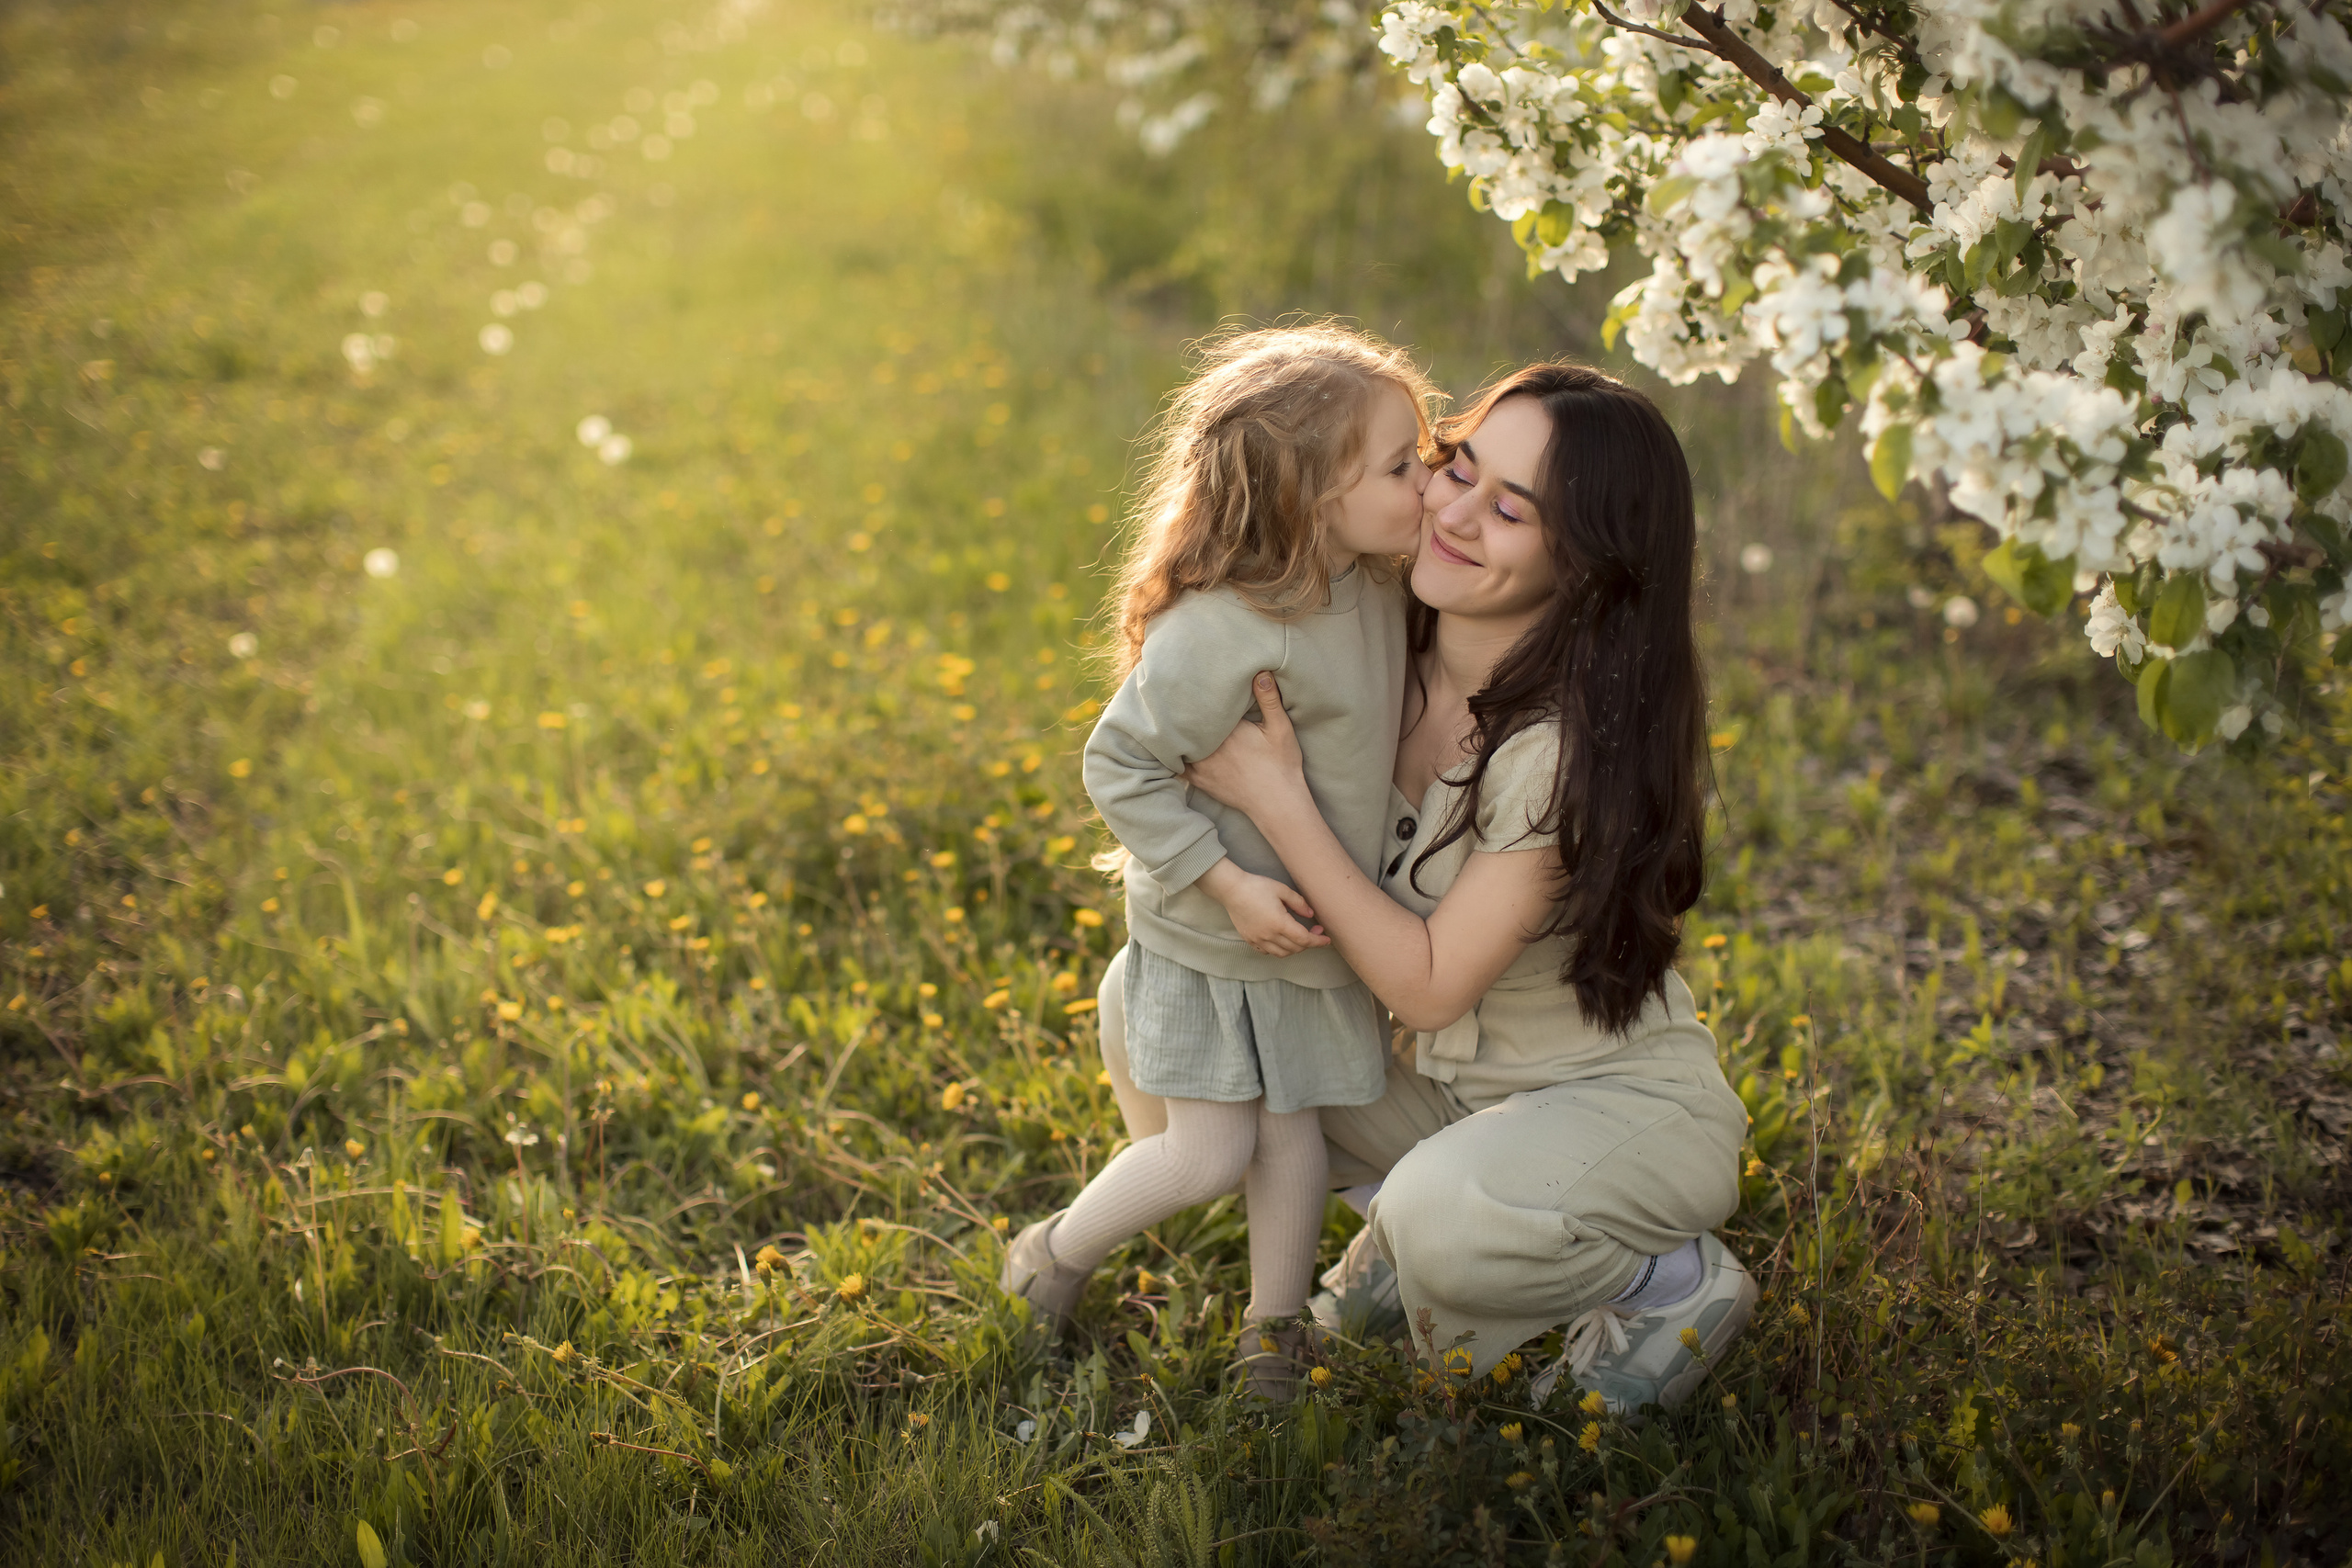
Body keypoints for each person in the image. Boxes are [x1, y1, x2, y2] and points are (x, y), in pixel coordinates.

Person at [1105, 362, 1755, 1415]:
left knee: (1447, 1220)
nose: (1449, 509)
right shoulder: (1372, 632)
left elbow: (1431, 989)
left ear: (1586, 566)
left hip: (1600, 1104)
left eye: (1508, 510)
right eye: (1455, 466)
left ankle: (1661, 1282)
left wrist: (1279, 804)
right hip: (1436, 1092)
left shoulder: (1557, 751)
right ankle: (1403, 1232)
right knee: (1151, 1010)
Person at [999, 325, 1439, 1397]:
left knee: (1290, 1143)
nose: (1427, 478)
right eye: (1399, 464)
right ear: (1309, 497)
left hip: (1308, 936)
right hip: (1214, 936)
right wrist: (1227, 880)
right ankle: (1047, 1257)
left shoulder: (1375, 584)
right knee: (1206, 1155)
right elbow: (1120, 765)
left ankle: (1271, 1339)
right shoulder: (1226, 626)